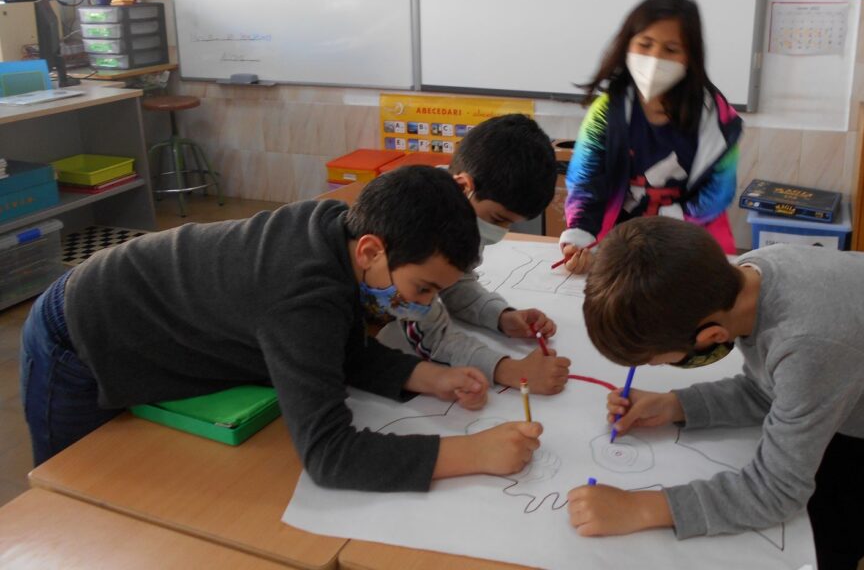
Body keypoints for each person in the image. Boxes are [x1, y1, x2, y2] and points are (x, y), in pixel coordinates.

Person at [20, 166, 543, 491]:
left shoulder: (339, 234)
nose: (423, 304)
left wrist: (427, 377)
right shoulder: (300, 291)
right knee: (70, 489)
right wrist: (472, 452)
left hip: (143, 316)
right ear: (371, 250)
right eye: (423, 288)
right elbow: (329, 455)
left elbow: (332, 348)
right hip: (80, 336)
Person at [567, 216, 864, 570]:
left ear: (711, 336)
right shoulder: (744, 276)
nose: (658, 368)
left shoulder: (810, 346)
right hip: (863, 386)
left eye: (657, 360)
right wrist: (675, 405)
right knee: (829, 536)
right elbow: (776, 389)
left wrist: (642, 508)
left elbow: (775, 491)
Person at [376, 114, 572, 394]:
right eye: (497, 219)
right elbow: (428, 333)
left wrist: (500, 316)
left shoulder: (459, 212)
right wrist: (508, 369)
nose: (500, 232)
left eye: (510, 224)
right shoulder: (417, 228)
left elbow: (456, 283)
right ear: (464, 187)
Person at [559, 0, 742, 272]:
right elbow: (586, 181)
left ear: (690, 56)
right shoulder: (606, 112)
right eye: (645, 44)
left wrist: (665, 226)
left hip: (691, 243)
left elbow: (718, 192)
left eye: (671, 49)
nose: (656, 58)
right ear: (627, 45)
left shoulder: (718, 119)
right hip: (619, 247)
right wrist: (579, 238)